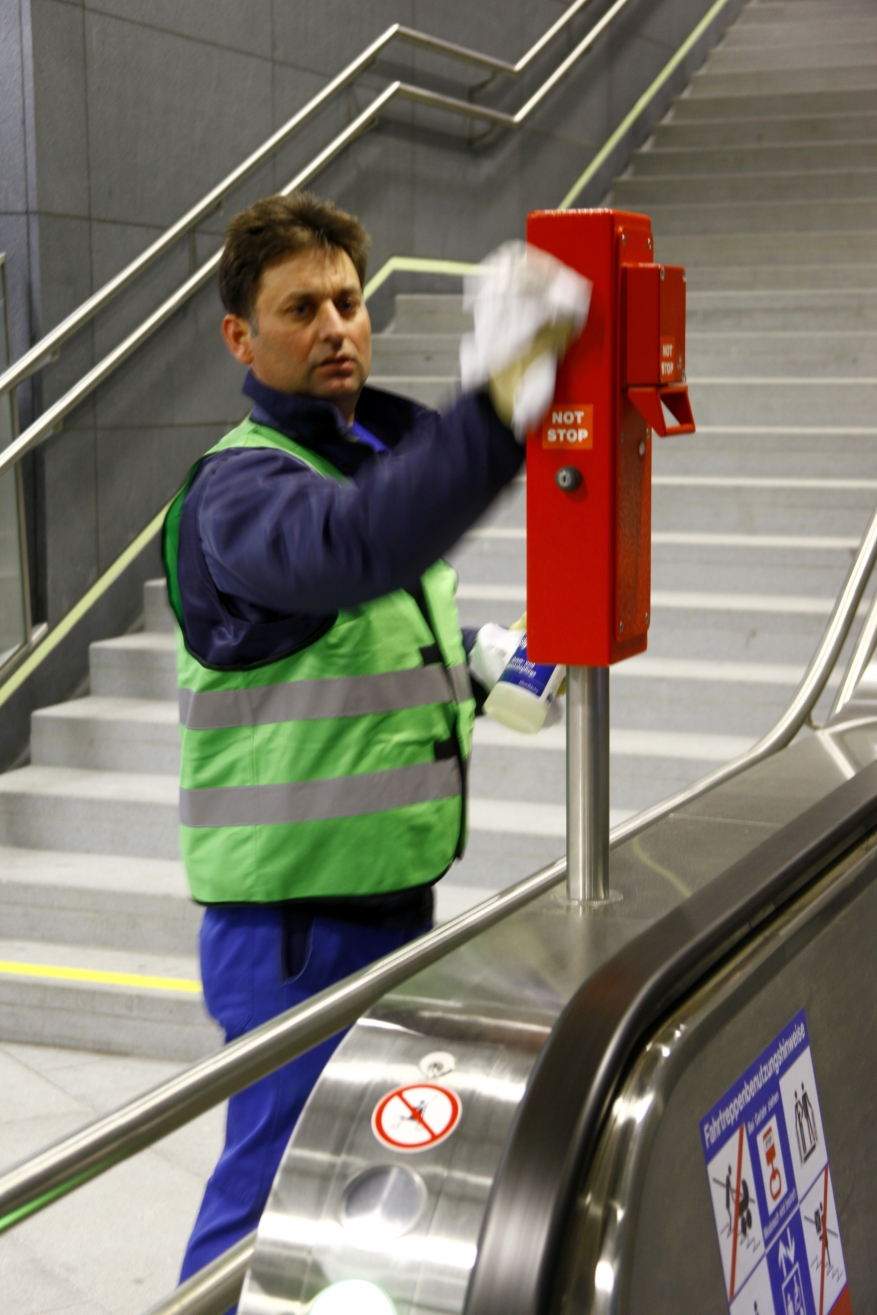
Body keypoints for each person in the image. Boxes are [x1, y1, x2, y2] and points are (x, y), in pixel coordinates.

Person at [163, 191, 586, 1286]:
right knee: (264, 1195)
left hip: (385, 898)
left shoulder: (363, 459)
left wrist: (477, 657)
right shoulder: (240, 487)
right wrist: (495, 409)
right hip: (294, 925)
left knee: (334, 1185)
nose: (336, 325)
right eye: (300, 307)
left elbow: (354, 633)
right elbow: (351, 553)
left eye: (348, 300)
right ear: (240, 337)